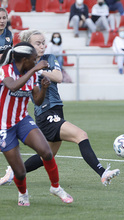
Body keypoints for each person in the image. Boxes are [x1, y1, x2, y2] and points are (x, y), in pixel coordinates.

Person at [0, 30, 120, 186]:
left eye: (44, 42)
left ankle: (13, 172)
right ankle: (103, 173)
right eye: (38, 43)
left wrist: (40, 70)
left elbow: (59, 77)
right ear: (29, 46)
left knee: (48, 155)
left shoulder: (49, 58)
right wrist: (35, 70)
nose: (42, 46)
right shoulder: (25, 67)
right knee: (81, 135)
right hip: (45, 112)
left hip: (56, 109)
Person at [0, 42, 73, 206]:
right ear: (24, 59)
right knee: (19, 171)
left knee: (46, 152)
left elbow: (38, 102)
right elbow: (12, 86)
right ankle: (23, 194)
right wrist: (36, 69)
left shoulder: (32, 74)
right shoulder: (5, 70)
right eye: (34, 60)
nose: (36, 62)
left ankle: (56, 187)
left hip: (22, 120)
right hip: (3, 126)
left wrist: (44, 88)